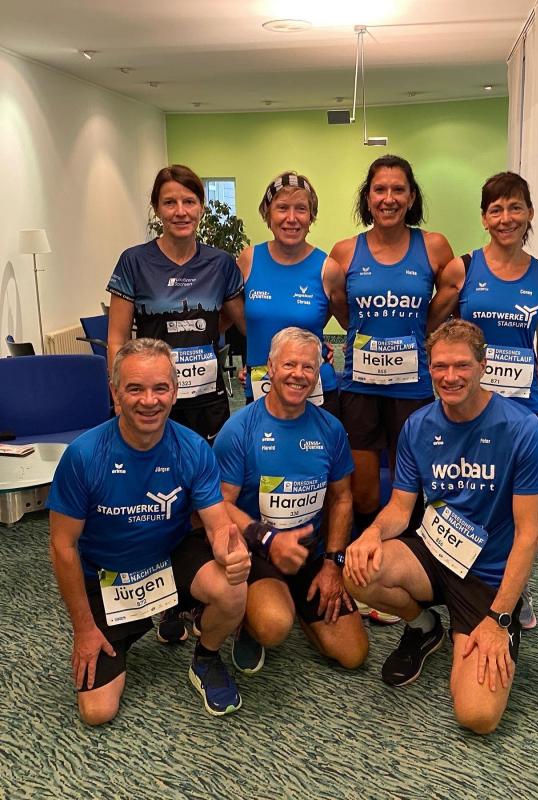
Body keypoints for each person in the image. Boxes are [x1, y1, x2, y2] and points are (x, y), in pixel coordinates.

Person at [344, 320, 538, 734]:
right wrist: (370, 534)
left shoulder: (522, 429)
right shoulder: (418, 425)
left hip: (487, 575)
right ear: (429, 367)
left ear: (483, 365)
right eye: (440, 366)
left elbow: (529, 535)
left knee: (477, 716)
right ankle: (423, 627)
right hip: (434, 554)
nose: (450, 376)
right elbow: (400, 508)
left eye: (461, 365)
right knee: (359, 570)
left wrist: (499, 619)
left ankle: (483, 628)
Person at [48, 339, 251, 724]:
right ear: (115, 393)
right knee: (97, 711)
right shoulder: (84, 456)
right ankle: (144, 618)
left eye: (160, 388)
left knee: (232, 588)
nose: (149, 400)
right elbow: (63, 546)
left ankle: (205, 657)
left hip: (168, 558)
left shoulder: (193, 449)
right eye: (135, 389)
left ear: (174, 392)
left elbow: (219, 524)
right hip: (107, 575)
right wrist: (84, 629)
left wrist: (233, 553)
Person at [106, 164, 246, 642]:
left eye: (189, 201)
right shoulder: (134, 262)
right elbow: (116, 337)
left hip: (207, 402)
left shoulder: (220, 263)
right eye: (170, 202)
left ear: (201, 207)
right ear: (157, 208)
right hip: (151, 405)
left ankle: (190, 589)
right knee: (153, 497)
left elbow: (239, 321)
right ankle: (162, 598)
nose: (180, 211)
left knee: (203, 499)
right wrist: (118, 394)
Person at [428, 171, 538, 628]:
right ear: (484, 218)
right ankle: (464, 583)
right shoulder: (462, 269)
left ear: (529, 213)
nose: (506, 218)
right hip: (469, 412)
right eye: (496, 209)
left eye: (514, 207)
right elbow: (433, 328)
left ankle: (515, 588)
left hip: (523, 413)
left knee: (523, 511)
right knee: (475, 498)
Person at [330, 155, 454, 623]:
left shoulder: (434, 247)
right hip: (360, 389)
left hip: (414, 391)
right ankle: (366, 572)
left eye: (398, 189)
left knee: (414, 490)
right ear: (368, 197)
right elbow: (342, 311)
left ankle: (408, 571)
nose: (388, 198)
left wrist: (423, 333)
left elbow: (452, 296)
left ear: (411, 196)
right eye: (379, 190)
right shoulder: (345, 252)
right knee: (364, 493)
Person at [214, 327, 368, 674]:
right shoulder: (239, 430)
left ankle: (300, 605)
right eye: (289, 365)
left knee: (353, 654)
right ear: (270, 367)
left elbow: (342, 499)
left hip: (311, 556)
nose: (298, 374)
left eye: (308, 367)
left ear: (318, 373)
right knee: (272, 625)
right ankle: (249, 619)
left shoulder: (330, 429)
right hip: (260, 554)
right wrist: (268, 538)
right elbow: (220, 505)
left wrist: (333, 565)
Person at [237, 170, 347, 417]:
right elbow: (240, 319)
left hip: (315, 390)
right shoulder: (248, 260)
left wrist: (319, 345)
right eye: (282, 208)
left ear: (311, 216)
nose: (291, 218)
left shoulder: (328, 269)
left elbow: (349, 322)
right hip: (261, 386)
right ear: (268, 214)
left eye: (301, 209)